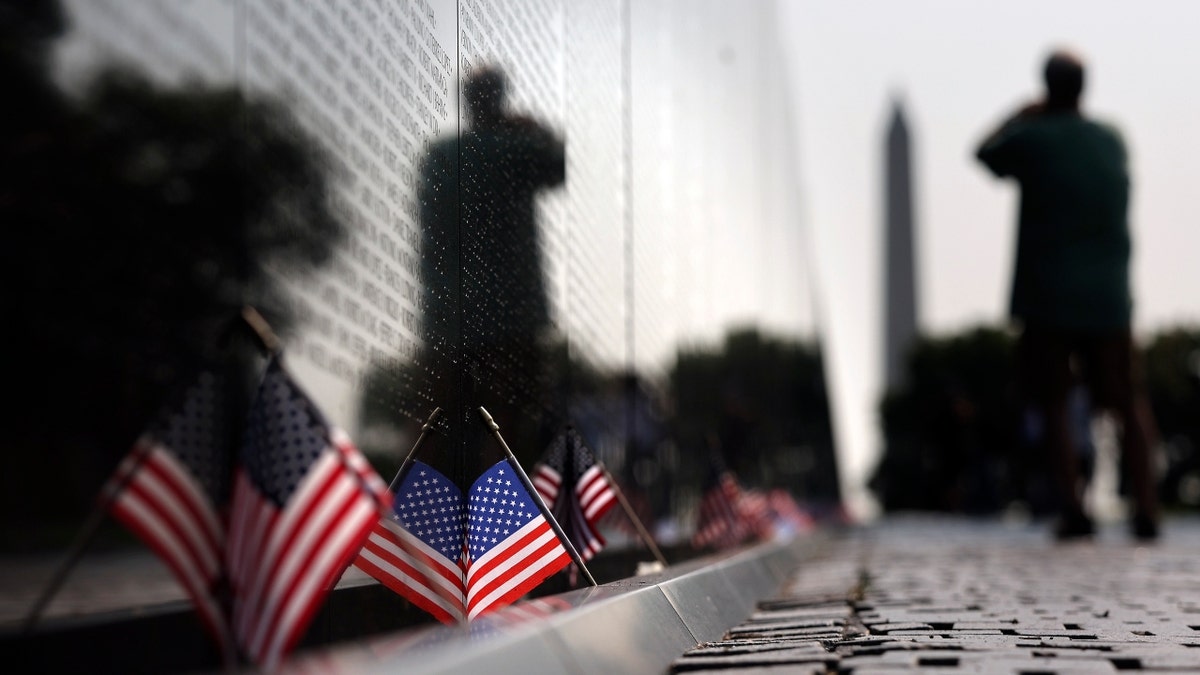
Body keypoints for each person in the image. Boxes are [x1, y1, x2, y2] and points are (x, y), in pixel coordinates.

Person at [975, 49, 1160, 541]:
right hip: (1108, 294)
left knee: (1054, 402)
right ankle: (1147, 506)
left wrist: (1022, 113)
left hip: (1049, 294)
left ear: (1048, 87)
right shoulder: (1110, 138)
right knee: (1127, 401)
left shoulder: (1033, 139)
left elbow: (984, 153)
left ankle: (1075, 509)